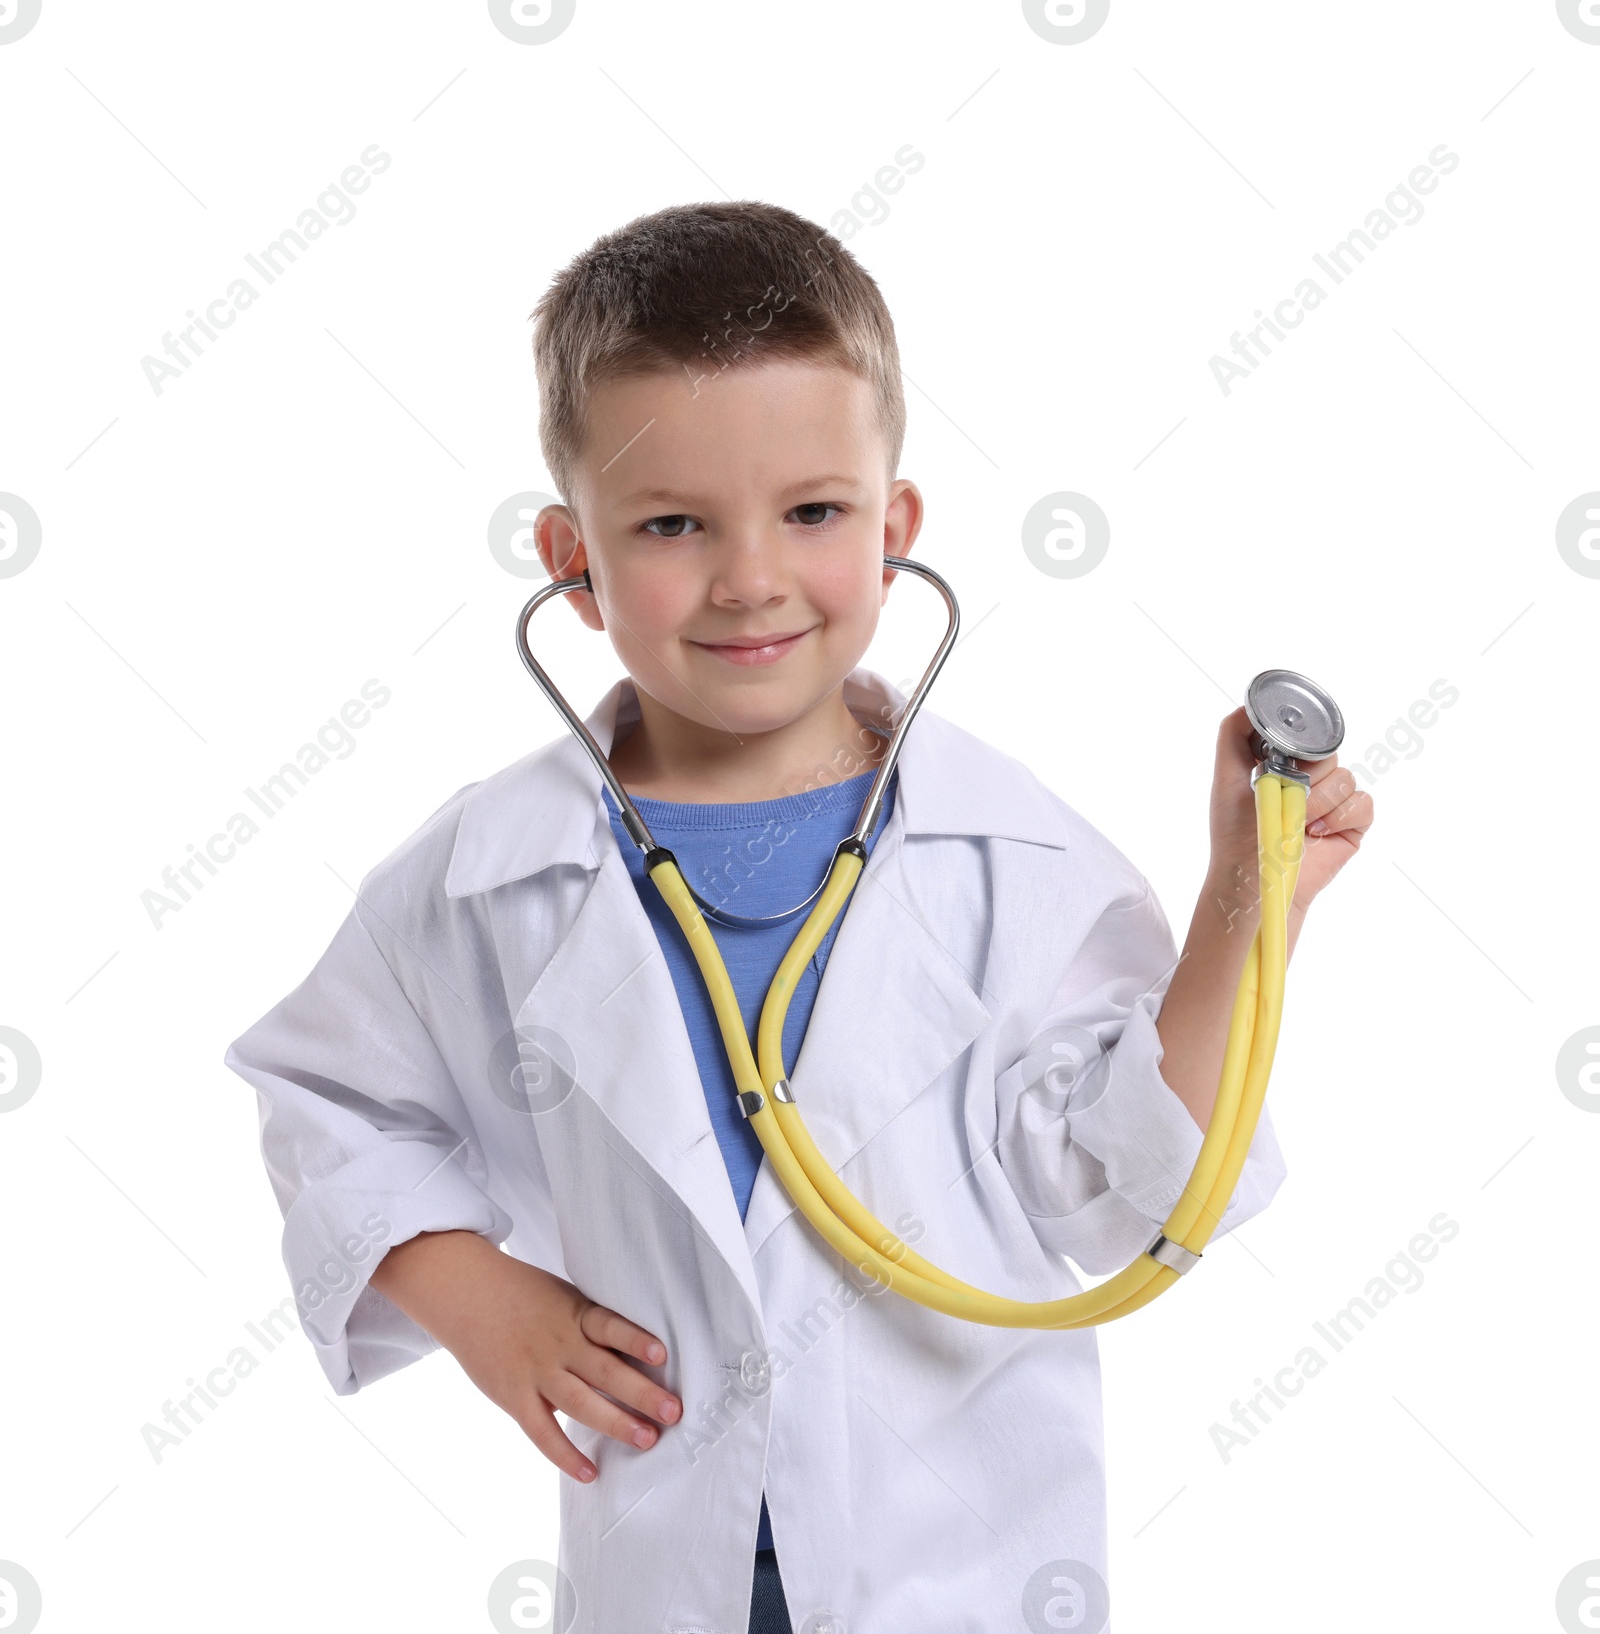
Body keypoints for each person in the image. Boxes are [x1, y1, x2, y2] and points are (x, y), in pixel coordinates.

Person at [222, 200, 1372, 1633]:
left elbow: (1135, 1193)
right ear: (570, 559)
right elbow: (327, 1096)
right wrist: (473, 1296)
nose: (751, 576)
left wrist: (1245, 907)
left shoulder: (1012, 854)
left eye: (812, 512)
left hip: (960, 1577)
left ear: (895, 531)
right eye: (671, 524)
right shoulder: (486, 868)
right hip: (661, 1563)